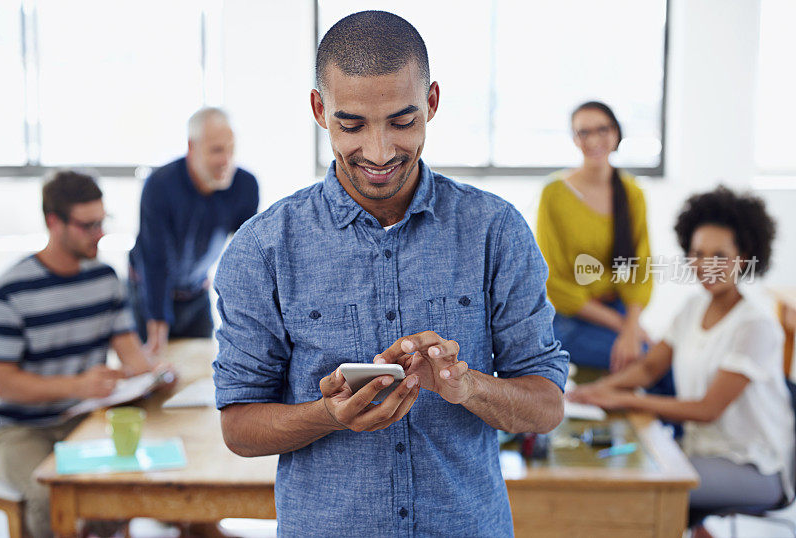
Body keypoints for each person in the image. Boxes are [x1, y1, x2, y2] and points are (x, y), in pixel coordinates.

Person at [212, 10, 568, 537]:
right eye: (351, 125)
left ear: (432, 103)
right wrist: (328, 415)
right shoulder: (262, 249)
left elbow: (546, 406)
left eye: (402, 122)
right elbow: (239, 428)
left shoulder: (495, 231)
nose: (378, 153)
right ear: (319, 109)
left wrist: (467, 386)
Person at [568, 186, 794, 538]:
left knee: (639, 486)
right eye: (697, 254)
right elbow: (648, 368)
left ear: (745, 256)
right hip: (698, 452)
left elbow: (707, 409)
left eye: (719, 255)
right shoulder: (693, 308)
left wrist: (625, 399)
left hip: (753, 468)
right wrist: (593, 391)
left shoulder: (756, 324)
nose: (705, 266)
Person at [0, 171, 157, 538]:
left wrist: (155, 373)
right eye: (88, 225)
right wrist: (79, 384)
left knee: (130, 485)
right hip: (18, 430)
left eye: (102, 221)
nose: (99, 233)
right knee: (49, 492)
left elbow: (131, 354)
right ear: (54, 222)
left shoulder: (105, 279)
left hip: (83, 420)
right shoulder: (10, 292)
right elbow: (4, 384)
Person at [536, 101, 655, 374]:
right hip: (570, 318)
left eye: (602, 129)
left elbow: (641, 270)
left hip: (618, 309)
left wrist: (631, 323)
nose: (594, 140)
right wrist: (625, 327)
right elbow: (552, 281)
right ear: (575, 139)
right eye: (584, 132)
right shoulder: (554, 193)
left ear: (616, 133)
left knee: (660, 359)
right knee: (649, 361)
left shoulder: (632, 192)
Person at [129, 107, 259, 355]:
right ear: (192, 147)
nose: (226, 161)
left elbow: (248, 257)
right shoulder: (159, 185)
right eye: (217, 150)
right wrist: (157, 323)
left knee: (201, 366)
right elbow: (156, 259)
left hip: (196, 291)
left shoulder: (245, 185)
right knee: (154, 368)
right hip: (148, 289)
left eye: (231, 150)